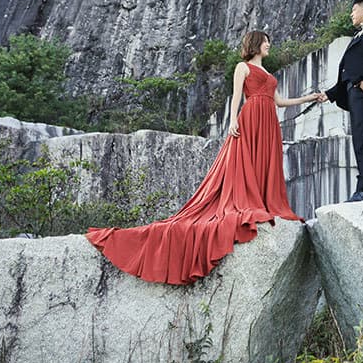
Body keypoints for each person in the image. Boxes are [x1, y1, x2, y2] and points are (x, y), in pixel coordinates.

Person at [86, 31, 322, 285]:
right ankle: (251, 201)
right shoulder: (242, 67)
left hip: (269, 123)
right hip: (251, 118)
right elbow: (237, 96)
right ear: (255, 44)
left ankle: (266, 202)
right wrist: (232, 121)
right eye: (266, 41)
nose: (269, 45)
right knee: (247, 164)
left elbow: (280, 102)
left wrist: (309, 97)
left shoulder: (267, 73)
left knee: (267, 165)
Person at [319, 0, 363, 202]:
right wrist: (329, 94)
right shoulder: (358, 37)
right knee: (360, 138)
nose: (351, 14)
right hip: (354, 93)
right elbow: (348, 74)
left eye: (354, 10)